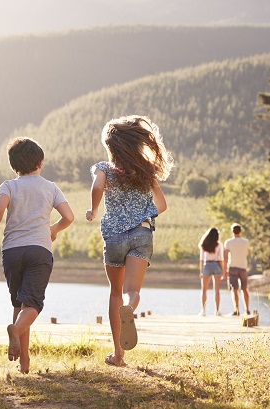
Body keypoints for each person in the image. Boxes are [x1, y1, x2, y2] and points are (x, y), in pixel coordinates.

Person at [85, 115, 174, 368]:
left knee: (114, 292)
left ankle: (118, 355)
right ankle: (130, 308)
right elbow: (162, 205)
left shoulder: (103, 168)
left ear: (111, 147)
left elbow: (97, 187)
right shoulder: (145, 172)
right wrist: (144, 215)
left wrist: (93, 210)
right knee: (131, 291)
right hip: (141, 234)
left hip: (114, 235)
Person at [0, 137, 74, 374]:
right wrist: (53, 229)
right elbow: (69, 217)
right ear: (40, 162)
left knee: (19, 303)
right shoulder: (51, 187)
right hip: (39, 250)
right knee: (32, 305)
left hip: (12, 251)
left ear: (14, 165)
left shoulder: (9, 186)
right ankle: (14, 331)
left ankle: (24, 361)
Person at [224, 223, 251, 316]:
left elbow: (226, 256)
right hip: (243, 267)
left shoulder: (228, 242)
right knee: (244, 289)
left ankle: (236, 310)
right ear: (240, 231)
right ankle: (247, 309)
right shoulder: (246, 241)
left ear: (232, 231)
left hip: (232, 267)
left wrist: (225, 269)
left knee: (234, 290)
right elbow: (247, 251)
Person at [199, 227, 225, 316]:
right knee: (217, 290)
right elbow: (221, 259)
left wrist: (201, 271)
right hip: (216, 265)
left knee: (204, 290)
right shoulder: (219, 245)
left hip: (207, 265)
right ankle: (217, 311)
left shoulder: (203, 244)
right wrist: (223, 271)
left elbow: (202, 259)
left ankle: (203, 311)